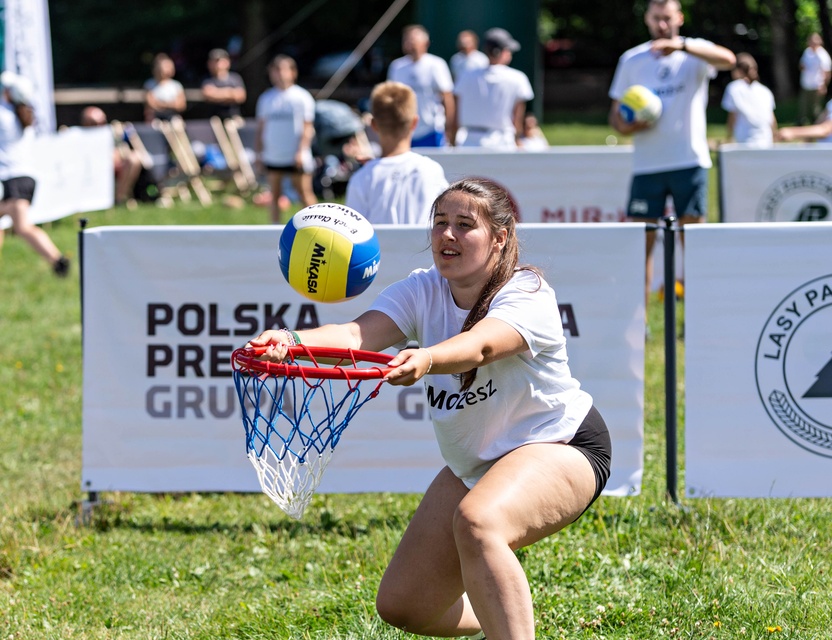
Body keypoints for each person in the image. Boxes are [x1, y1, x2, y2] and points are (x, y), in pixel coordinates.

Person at [246, 177, 612, 640]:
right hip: (476, 462)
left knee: (479, 522)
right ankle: (499, 612)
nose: (447, 236)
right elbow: (357, 336)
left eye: (464, 225)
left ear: (500, 238)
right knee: (405, 606)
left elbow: (480, 347)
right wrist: (293, 341)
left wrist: (428, 357)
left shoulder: (527, 292)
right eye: (440, 224)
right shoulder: (421, 289)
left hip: (562, 444)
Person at [608, 0, 735, 312]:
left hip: (688, 162)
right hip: (647, 166)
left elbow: (729, 60)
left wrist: (682, 46)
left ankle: (697, 316)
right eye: (656, 18)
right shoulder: (632, 59)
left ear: (679, 17)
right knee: (642, 245)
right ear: (648, 19)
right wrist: (627, 126)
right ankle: (640, 321)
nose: (662, 25)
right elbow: (615, 115)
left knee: (692, 242)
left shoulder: (694, 53)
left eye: (667, 18)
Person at [345, 81, 448, 226]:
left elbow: (352, 231)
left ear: (374, 124)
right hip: (422, 248)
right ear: (414, 122)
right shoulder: (431, 170)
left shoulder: (362, 178)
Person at [0, 73, 69, 276]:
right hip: (23, 177)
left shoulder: (4, 116)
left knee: (22, 227)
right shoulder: (23, 115)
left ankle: (58, 261)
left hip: (12, 178)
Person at [254, 54, 317, 224]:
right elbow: (261, 129)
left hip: (295, 155)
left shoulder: (301, 97)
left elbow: (307, 127)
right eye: (275, 70)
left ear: (292, 72)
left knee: (304, 194)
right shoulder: (266, 98)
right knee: (274, 195)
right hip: (273, 154)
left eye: (283, 69)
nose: (279, 74)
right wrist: (259, 154)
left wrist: (301, 151)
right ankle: (274, 230)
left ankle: (315, 227)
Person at [451, 27, 534, 150]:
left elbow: (455, 112)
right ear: (503, 52)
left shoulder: (466, 76)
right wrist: (516, 140)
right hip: (503, 143)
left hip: (469, 142)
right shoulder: (518, 78)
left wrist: (452, 140)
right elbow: (518, 116)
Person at [387, 25, 455, 147]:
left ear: (425, 42)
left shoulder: (436, 64)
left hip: (431, 130)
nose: (409, 43)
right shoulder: (397, 66)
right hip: (404, 131)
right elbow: (391, 98)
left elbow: (447, 97)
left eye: (413, 39)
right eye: (406, 39)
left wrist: (449, 128)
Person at [80, 106, 144, 206]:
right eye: (94, 123)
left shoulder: (110, 134)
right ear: (85, 123)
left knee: (135, 158)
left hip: (114, 164)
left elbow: (120, 151)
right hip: (92, 169)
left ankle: (120, 198)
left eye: (102, 122)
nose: (99, 126)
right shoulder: (80, 137)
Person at [720, 52, 776, 148]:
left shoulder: (733, 88)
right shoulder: (765, 91)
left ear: (738, 70)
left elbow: (732, 116)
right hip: (766, 140)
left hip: (744, 141)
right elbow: (772, 119)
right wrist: (774, 137)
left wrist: (729, 137)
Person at [201, 48, 247, 119]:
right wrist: (231, 93)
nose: (217, 64)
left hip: (234, 118)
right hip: (214, 120)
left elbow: (241, 96)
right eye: (214, 61)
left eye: (219, 61)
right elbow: (208, 94)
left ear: (228, 62)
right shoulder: (207, 80)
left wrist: (217, 92)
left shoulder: (235, 78)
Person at [798, 33, 831, 125]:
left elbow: (827, 71)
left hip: (817, 85)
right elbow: (801, 65)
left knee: (816, 109)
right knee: (803, 106)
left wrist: (824, 85)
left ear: (819, 41)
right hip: (805, 84)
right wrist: (802, 67)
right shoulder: (807, 52)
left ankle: (817, 125)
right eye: (811, 41)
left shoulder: (823, 55)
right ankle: (802, 123)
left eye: (815, 41)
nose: (813, 43)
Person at [143, 53, 186, 122]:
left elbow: (181, 105)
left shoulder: (176, 85)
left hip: (173, 117)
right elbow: (151, 104)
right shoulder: (149, 84)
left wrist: (160, 104)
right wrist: (171, 104)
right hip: (155, 118)